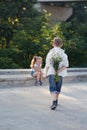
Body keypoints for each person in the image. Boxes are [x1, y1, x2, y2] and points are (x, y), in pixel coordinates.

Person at [45, 37, 69, 110]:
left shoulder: (50, 53)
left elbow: (47, 65)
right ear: (61, 44)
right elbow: (66, 65)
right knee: (58, 87)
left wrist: (46, 73)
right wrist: (58, 71)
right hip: (60, 74)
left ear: (53, 44)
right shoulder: (64, 54)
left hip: (52, 73)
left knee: (53, 88)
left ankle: (54, 102)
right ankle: (56, 101)